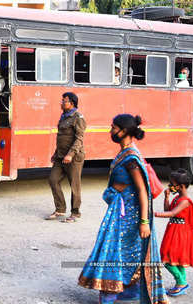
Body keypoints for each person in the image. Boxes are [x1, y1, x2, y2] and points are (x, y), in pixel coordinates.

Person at [78, 114, 168, 304]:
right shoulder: (124, 152)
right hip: (121, 213)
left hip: (130, 216)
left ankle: (110, 294)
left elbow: (143, 190)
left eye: (113, 127)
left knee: (115, 252)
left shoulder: (131, 158)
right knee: (124, 253)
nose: (110, 131)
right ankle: (126, 292)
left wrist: (144, 222)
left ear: (124, 131)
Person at [154, 168, 193, 297]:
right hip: (174, 229)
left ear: (180, 186)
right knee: (176, 259)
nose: (169, 186)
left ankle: (181, 283)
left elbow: (172, 213)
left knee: (167, 258)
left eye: (171, 184)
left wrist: (153, 214)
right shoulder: (177, 198)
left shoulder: (185, 201)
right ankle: (182, 283)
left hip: (180, 233)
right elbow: (168, 209)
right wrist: (167, 197)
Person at [46, 92, 86, 223]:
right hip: (60, 156)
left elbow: (79, 139)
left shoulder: (78, 118)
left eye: (64, 101)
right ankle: (60, 209)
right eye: (62, 101)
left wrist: (70, 154)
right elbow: (62, 138)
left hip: (73, 157)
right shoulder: (64, 117)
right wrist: (56, 153)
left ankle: (75, 213)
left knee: (74, 185)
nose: (61, 103)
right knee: (53, 179)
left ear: (72, 103)